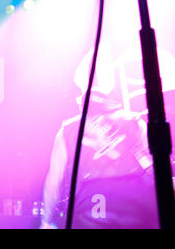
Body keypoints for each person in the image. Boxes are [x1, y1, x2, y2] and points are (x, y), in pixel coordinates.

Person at [40, 92, 161, 229]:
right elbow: (156, 167)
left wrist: (46, 221)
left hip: (91, 206)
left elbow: (54, 181)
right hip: (136, 203)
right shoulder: (134, 121)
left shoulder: (67, 132)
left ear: (82, 107)